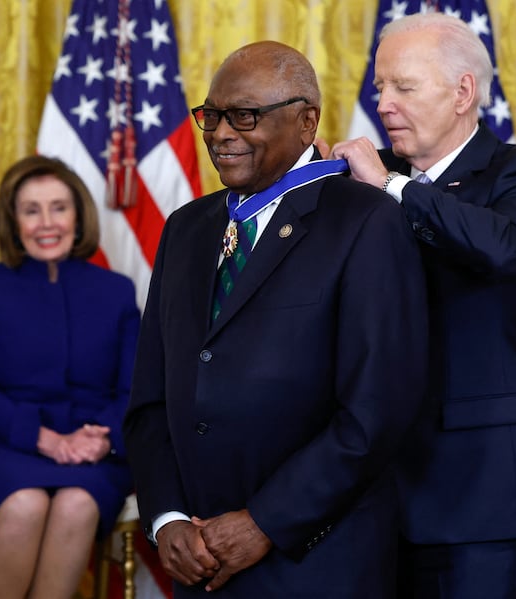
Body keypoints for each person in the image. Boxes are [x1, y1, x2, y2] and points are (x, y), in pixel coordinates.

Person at [122, 40, 428, 598]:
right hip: (198, 558)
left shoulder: (366, 221)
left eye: (244, 116)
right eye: (211, 116)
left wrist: (265, 521)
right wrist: (166, 517)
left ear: (306, 121)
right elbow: (150, 399)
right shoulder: (185, 228)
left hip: (315, 558)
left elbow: (376, 411)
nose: (219, 133)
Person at [329, 12, 516, 598]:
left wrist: (392, 188)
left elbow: (507, 247)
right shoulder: (362, 179)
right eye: (379, 87)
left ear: (463, 92)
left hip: (479, 492)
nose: (383, 104)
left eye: (403, 87)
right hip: (370, 488)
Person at [0, 155, 141, 599]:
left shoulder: (116, 292)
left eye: (58, 207)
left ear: (78, 215)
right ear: (13, 221)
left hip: (95, 454)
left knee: (77, 503)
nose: (46, 223)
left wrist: (104, 438)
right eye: (31, 210)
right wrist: (48, 441)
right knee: (25, 503)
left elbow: (134, 390)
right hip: (5, 446)